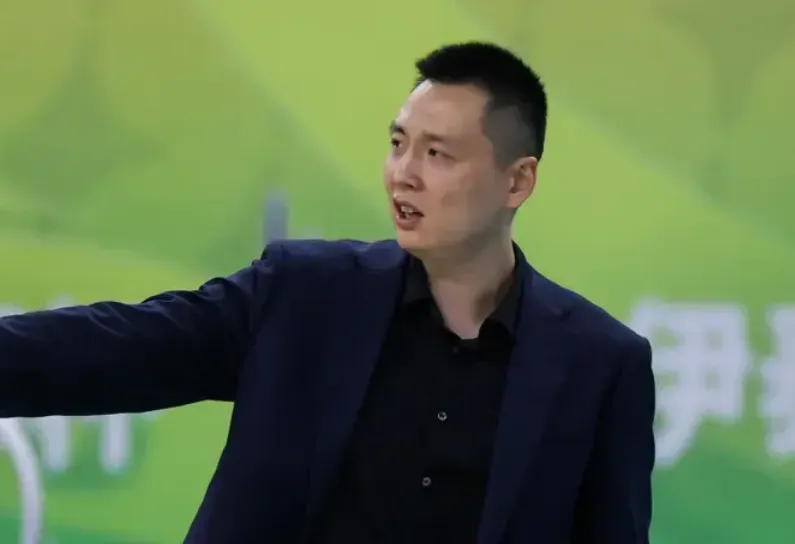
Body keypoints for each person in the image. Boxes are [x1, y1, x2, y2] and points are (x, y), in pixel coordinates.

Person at [0, 41, 656, 543]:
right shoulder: (304, 297)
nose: (403, 174)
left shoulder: (599, 365)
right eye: (397, 144)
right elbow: (126, 346)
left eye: (437, 154)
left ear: (517, 181)